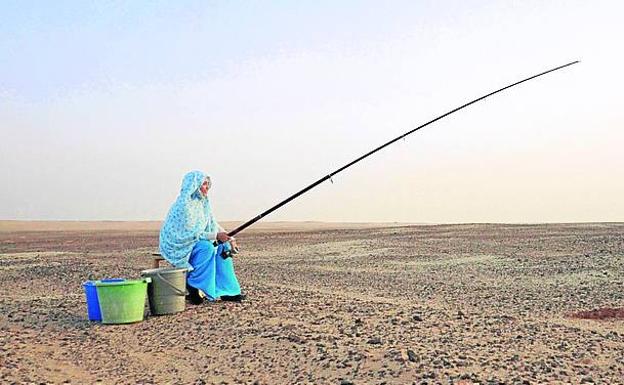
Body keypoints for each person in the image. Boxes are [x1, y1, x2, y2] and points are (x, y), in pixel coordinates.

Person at [159, 170, 244, 304]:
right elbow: (192, 234)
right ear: (194, 185)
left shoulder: (203, 203)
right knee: (207, 247)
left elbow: (213, 223)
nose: (207, 188)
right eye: (204, 184)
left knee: (223, 246)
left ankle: (227, 291)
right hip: (180, 245)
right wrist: (216, 236)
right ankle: (193, 285)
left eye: (207, 184)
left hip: (196, 240)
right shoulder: (184, 205)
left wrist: (229, 238)